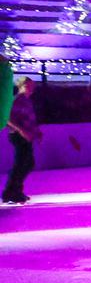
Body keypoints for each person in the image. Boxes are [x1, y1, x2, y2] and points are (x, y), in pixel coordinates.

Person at [3, 75, 41, 205]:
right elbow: (6, 118)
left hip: (26, 135)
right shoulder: (17, 100)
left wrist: (36, 132)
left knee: (26, 163)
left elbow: (29, 119)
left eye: (32, 86)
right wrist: (21, 130)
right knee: (23, 163)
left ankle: (14, 191)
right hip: (19, 136)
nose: (31, 88)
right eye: (27, 85)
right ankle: (11, 192)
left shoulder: (26, 100)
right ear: (21, 86)